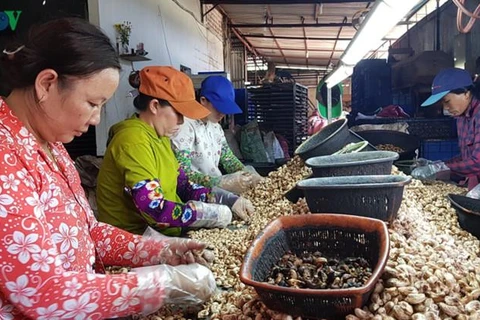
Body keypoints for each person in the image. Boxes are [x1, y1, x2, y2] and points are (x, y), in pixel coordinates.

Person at [0, 18, 216, 319]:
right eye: (92, 103)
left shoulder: (54, 147)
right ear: (47, 84)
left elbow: (90, 232)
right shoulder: (6, 157)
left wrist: (160, 252)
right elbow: (42, 292)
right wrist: (162, 284)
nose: (97, 119)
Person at [96, 66, 254, 236]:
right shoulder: (133, 141)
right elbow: (154, 209)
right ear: (155, 106)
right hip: (135, 240)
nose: (181, 121)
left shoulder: (161, 138)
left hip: (164, 233)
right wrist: (208, 214)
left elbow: (184, 185)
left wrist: (225, 199)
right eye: (178, 113)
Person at [171, 76, 263, 194]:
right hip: (194, 194)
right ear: (203, 100)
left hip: (216, 192)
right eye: (219, 107)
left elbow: (228, 160)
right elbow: (183, 174)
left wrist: (248, 175)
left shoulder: (216, 128)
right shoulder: (185, 126)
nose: (222, 113)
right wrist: (221, 182)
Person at [412, 68, 480, 190]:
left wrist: (440, 168)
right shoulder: (461, 117)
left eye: (447, 101)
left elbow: (477, 162)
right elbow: (467, 158)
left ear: (466, 93)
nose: (446, 108)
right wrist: (437, 165)